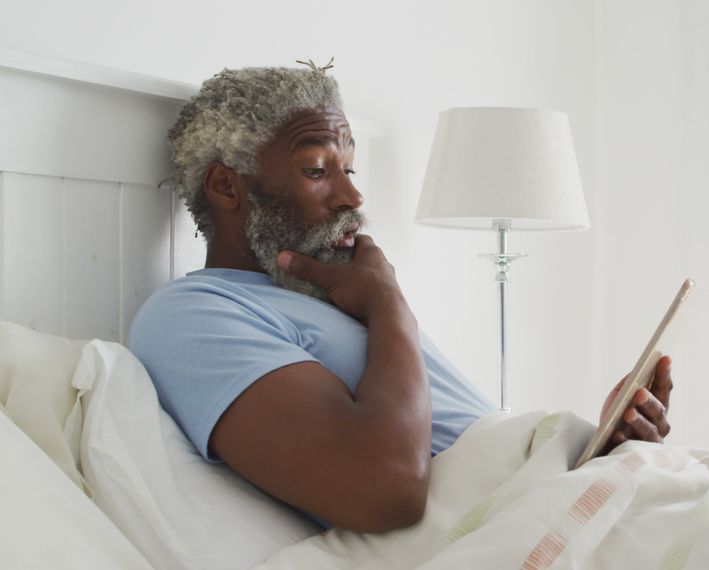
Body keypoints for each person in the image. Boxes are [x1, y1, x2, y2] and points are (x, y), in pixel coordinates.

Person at [128, 62, 674, 534]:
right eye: (317, 170)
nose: (353, 196)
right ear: (227, 188)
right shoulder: (192, 316)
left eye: (349, 168)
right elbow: (384, 491)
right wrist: (389, 301)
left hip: (570, 492)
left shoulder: (334, 293)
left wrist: (603, 449)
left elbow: (461, 434)